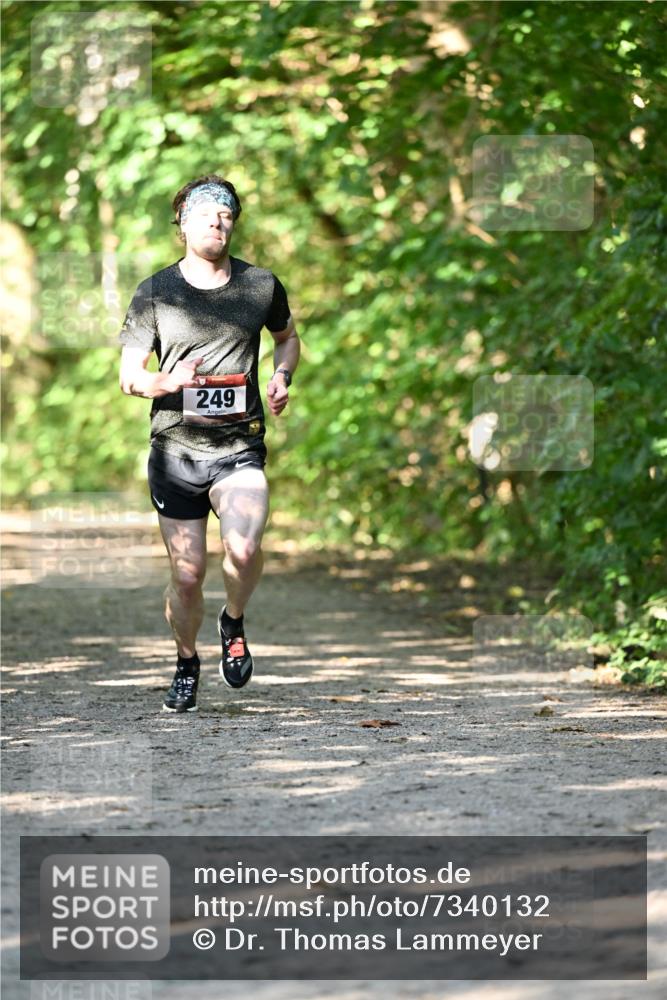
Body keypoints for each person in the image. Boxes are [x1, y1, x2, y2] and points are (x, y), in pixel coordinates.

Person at [118, 174, 300, 713]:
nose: (217, 224)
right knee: (188, 574)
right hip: (175, 450)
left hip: (239, 446)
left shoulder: (261, 286)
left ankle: (234, 622)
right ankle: (185, 659)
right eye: (205, 215)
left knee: (243, 550)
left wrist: (282, 376)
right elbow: (130, 375)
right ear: (183, 223)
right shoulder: (155, 292)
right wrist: (164, 382)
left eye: (225, 216)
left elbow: (287, 340)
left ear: (233, 223)